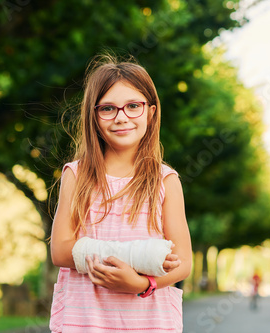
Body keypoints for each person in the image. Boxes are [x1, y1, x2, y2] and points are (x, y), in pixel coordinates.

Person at [49, 54, 192, 332]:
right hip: (85, 322)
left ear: (151, 112)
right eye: (108, 109)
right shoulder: (76, 175)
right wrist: (135, 257)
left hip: (150, 322)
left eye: (133, 106)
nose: (121, 117)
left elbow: (183, 263)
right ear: (93, 115)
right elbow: (60, 251)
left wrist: (139, 284)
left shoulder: (166, 180)